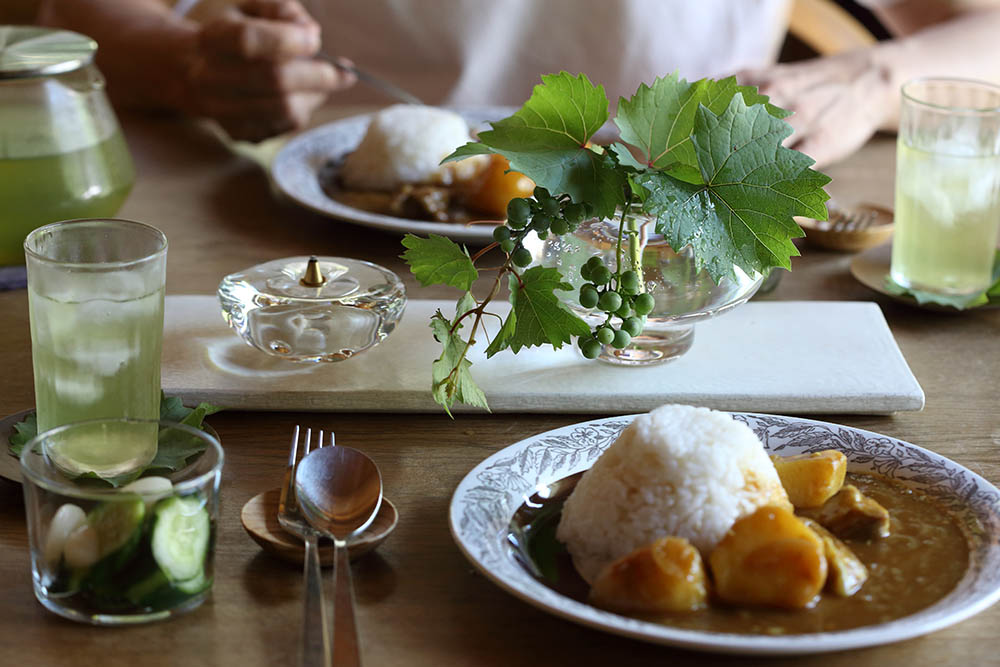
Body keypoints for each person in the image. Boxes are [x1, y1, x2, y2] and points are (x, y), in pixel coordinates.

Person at [24, 0, 1000, 166]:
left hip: (681, 248)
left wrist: (877, 73)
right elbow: (74, 17)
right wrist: (198, 65)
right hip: (363, 253)